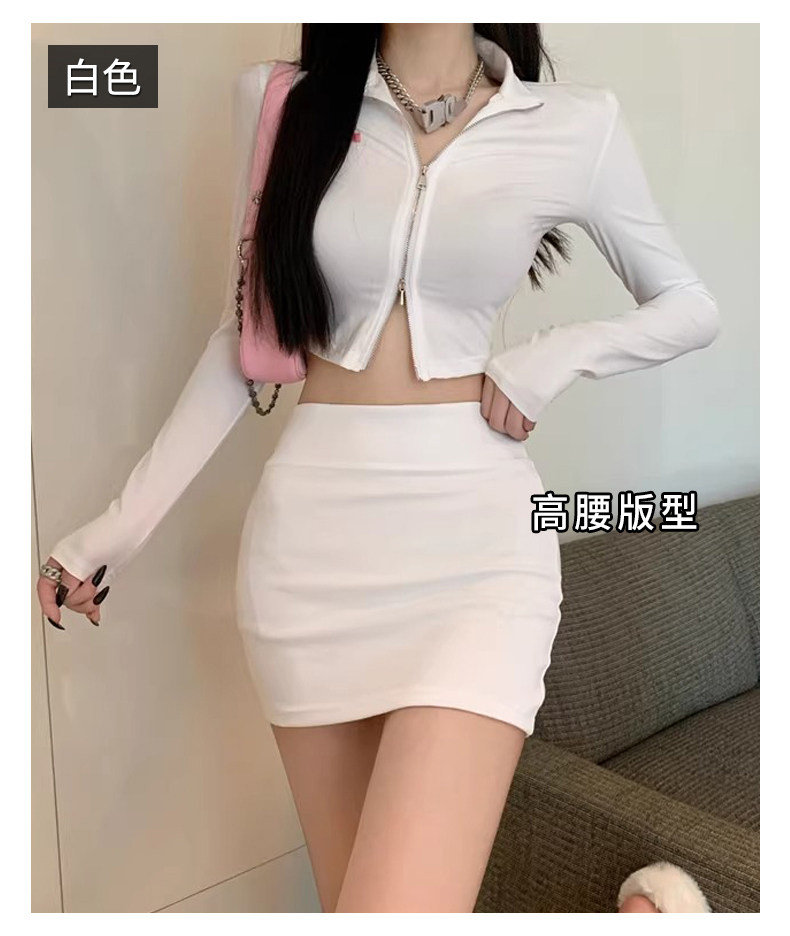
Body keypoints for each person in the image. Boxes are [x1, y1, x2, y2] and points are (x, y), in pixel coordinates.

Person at [36, 24, 720, 913]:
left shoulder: (573, 125)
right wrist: (113, 532)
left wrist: (556, 357)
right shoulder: (284, 102)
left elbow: (688, 305)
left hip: (480, 555)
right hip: (309, 557)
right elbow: (244, 341)